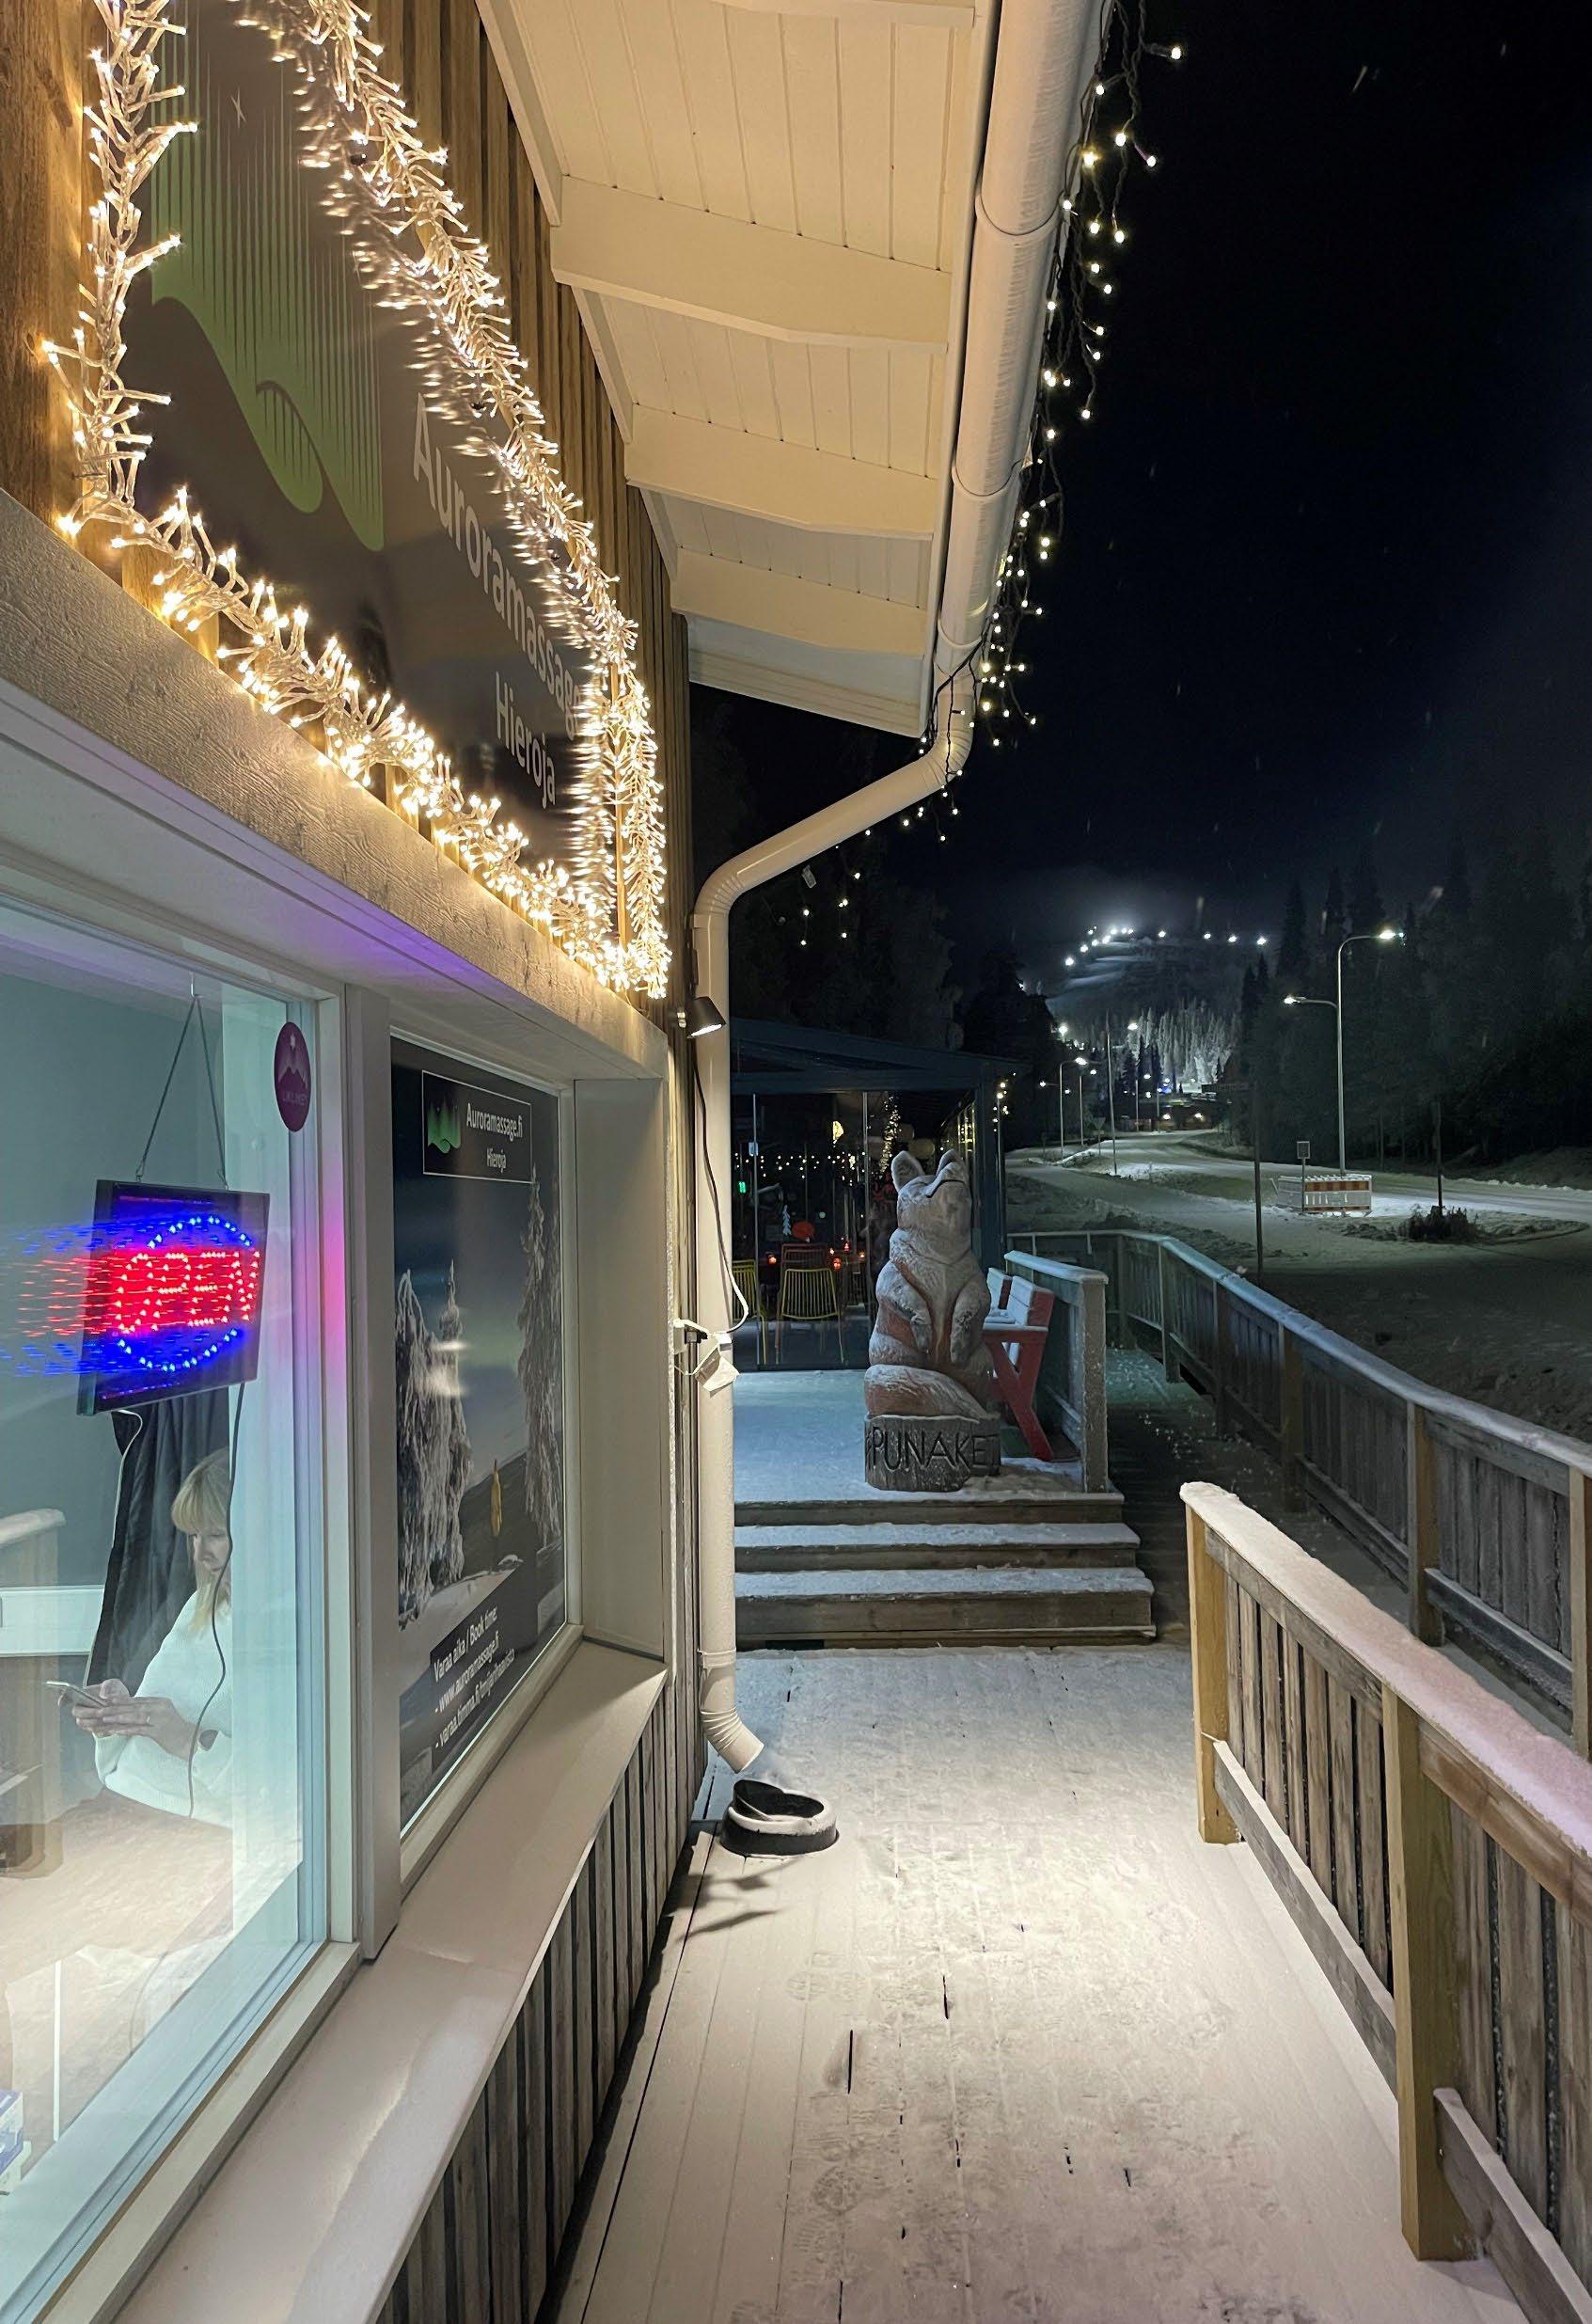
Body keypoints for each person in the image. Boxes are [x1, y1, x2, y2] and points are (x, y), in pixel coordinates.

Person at [71, 1450, 234, 1826]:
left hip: (183, 1826)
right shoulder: (202, 1607)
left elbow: (278, 1788)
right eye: (193, 1536)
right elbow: (134, 1755)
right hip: (120, 1799)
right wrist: (116, 1718)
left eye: (215, 1535)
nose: (200, 1554)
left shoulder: (291, 1634)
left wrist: (185, 1739)